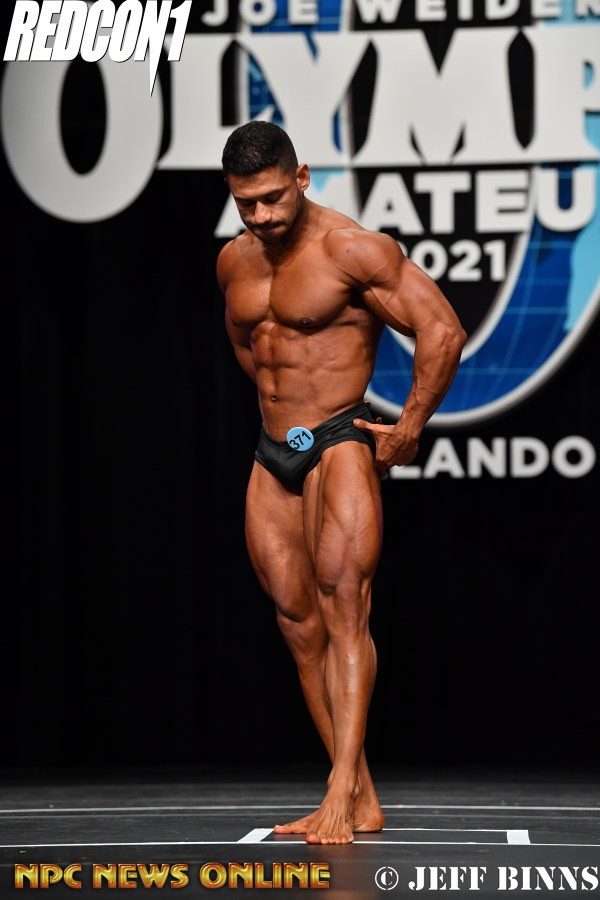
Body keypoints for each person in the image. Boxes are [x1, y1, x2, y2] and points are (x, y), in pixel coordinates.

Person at [216, 121, 466, 845]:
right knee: (297, 624)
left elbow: (442, 330)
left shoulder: (353, 249)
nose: (261, 214)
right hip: (274, 451)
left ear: (301, 177)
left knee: (345, 609)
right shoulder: (234, 261)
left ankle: (337, 791)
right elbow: (248, 344)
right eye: (245, 203)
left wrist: (409, 425)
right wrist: (280, 409)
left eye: (271, 197)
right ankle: (360, 796)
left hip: (338, 441)